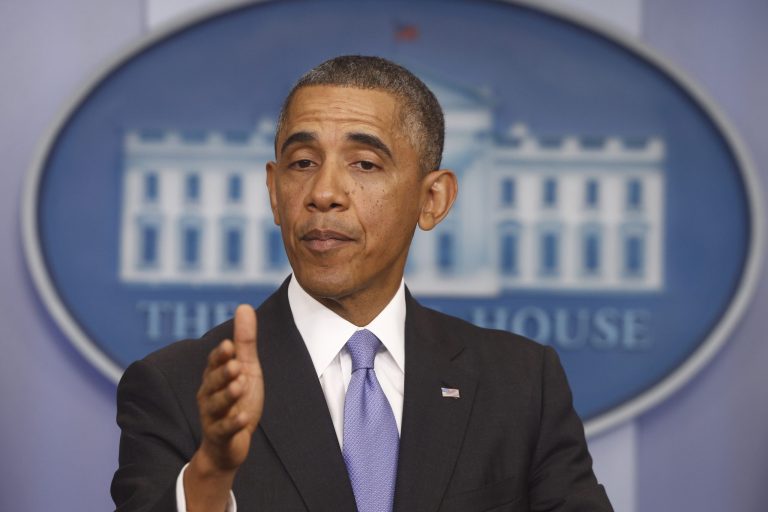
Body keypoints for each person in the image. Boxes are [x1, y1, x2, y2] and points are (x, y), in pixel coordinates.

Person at [111, 55, 613, 512]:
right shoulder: (178, 387)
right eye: (302, 163)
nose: (324, 193)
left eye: (365, 165)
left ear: (432, 199)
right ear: (272, 190)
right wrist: (210, 477)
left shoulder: (522, 384)